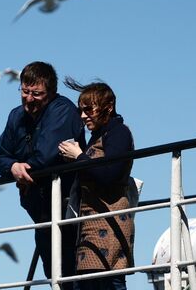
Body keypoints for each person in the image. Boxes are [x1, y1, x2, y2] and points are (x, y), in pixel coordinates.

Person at [0, 61, 85, 288]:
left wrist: (23, 170)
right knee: (53, 269)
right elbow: (0, 156)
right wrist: (13, 167)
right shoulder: (16, 116)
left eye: (36, 93)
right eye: (25, 92)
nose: (29, 98)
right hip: (40, 210)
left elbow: (46, 156)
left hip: (69, 209)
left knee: (73, 270)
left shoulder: (62, 110)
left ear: (51, 93)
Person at [58, 78, 134, 290]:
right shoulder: (99, 136)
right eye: (81, 110)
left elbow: (109, 174)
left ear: (108, 108)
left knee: (107, 282)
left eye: (89, 109)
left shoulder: (119, 133)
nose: (83, 116)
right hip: (91, 228)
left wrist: (80, 156)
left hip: (109, 226)